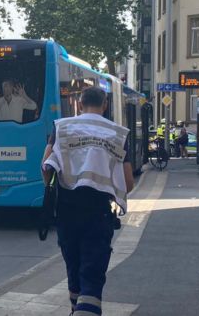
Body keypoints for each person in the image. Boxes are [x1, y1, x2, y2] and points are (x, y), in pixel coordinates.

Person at [42, 87, 135, 315]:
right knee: (92, 275)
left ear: (80, 104)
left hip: (67, 212)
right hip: (98, 213)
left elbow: (46, 168)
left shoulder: (62, 127)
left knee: (73, 268)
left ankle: (76, 308)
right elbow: (128, 183)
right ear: (105, 105)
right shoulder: (117, 134)